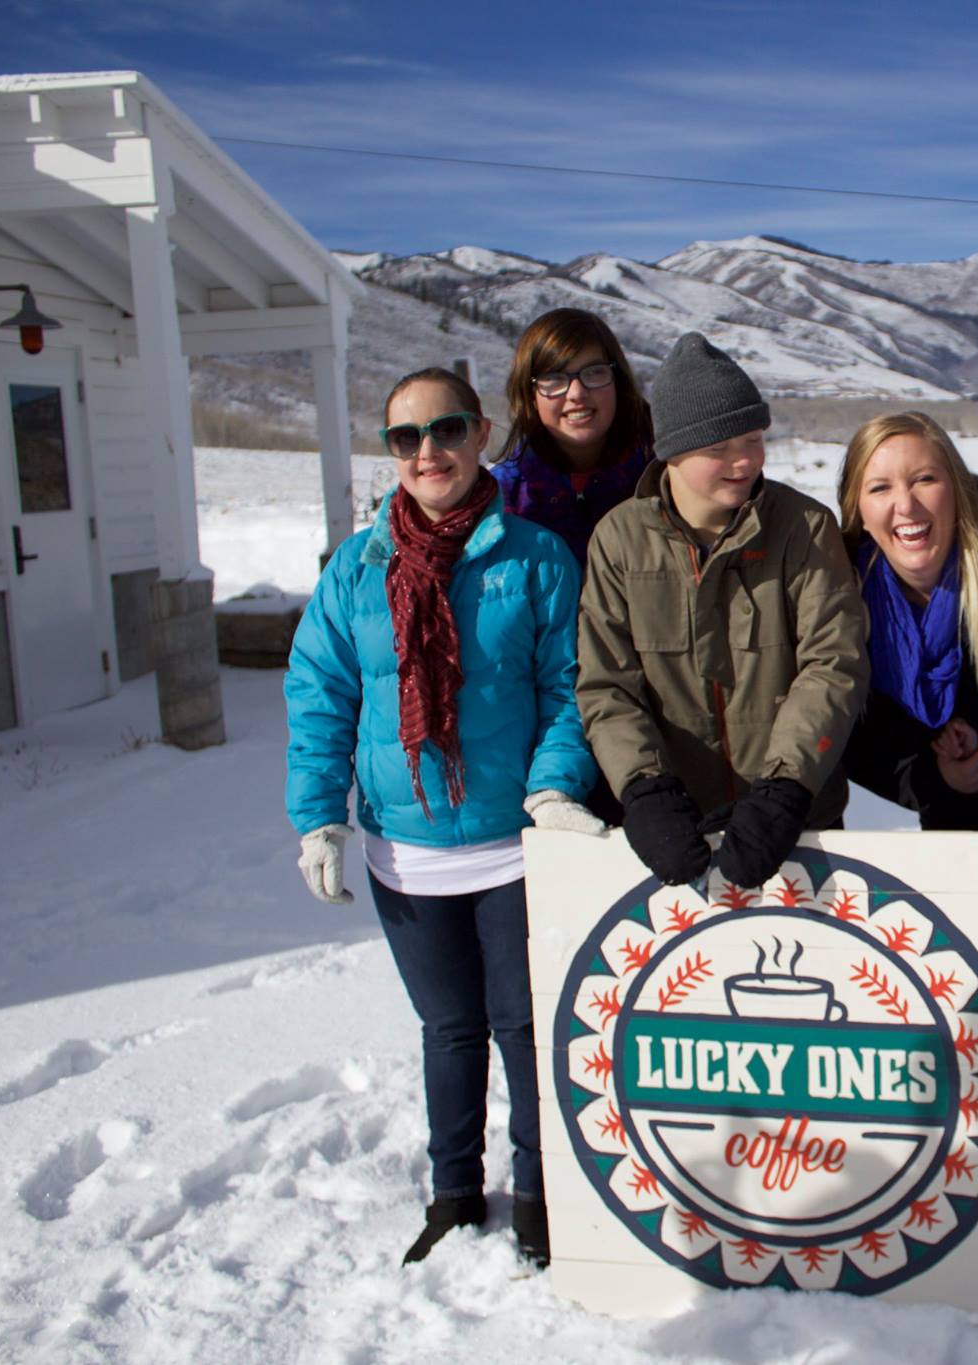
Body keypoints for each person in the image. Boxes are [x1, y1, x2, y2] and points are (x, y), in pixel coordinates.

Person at [284, 367, 603, 1269]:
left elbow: (569, 690)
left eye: (448, 428)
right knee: (449, 1029)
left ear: (483, 433)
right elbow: (320, 695)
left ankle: (541, 1193)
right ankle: (454, 1192)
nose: (429, 450)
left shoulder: (536, 558)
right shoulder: (356, 569)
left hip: (512, 846)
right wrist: (319, 818)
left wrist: (551, 787)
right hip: (406, 851)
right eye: (405, 436)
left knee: (525, 1026)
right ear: (390, 451)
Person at [576, 332, 869, 891]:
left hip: (796, 821)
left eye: (754, 440)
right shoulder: (618, 540)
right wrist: (643, 788)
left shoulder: (804, 528)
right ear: (674, 452)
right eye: (718, 449)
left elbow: (834, 663)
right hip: (678, 827)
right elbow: (606, 684)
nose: (743, 462)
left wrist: (786, 787)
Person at [837, 410, 978, 834]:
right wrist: (936, 778)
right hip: (957, 849)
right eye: (880, 488)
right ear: (857, 507)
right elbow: (851, 742)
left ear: (957, 489)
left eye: (924, 480)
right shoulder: (842, 604)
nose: (906, 505)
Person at [491, 307, 655, 567]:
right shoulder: (503, 497)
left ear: (617, 381)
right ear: (530, 394)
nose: (576, 393)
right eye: (554, 378)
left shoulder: (662, 476)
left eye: (594, 372)